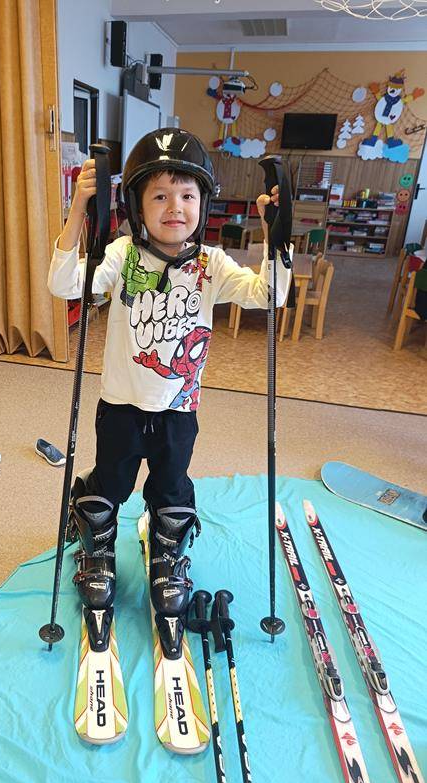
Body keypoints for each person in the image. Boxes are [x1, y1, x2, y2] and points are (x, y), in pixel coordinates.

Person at [47, 128, 291, 656]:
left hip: (180, 409)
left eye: (187, 195)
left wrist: (276, 236)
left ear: (204, 203)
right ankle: (96, 540)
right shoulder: (121, 254)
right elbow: (65, 285)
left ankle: (167, 554)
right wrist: (78, 210)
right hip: (121, 405)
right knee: (111, 481)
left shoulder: (211, 264)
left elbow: (269, 294)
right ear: (137, 205)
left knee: (172, 486)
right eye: (159, 195)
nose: (174, 207)